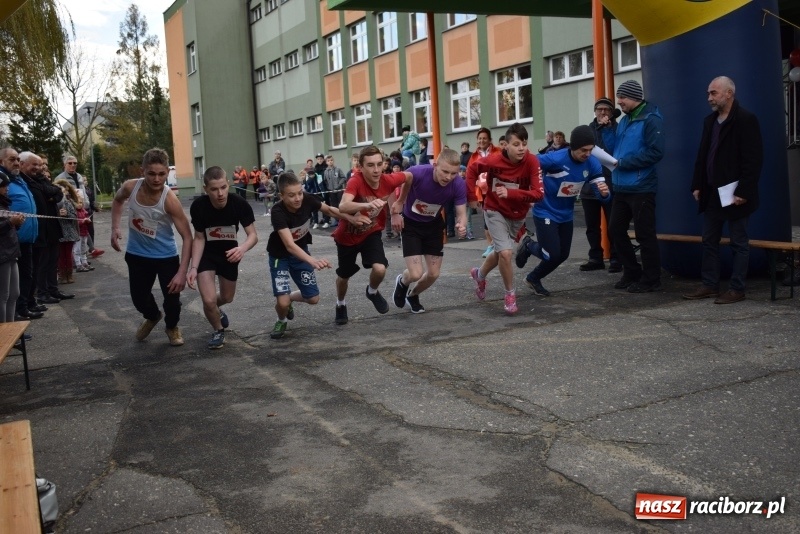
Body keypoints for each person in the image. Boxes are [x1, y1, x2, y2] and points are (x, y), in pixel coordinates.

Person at [683, 76, 763, 304]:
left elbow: (753, 159)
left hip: (736, 195)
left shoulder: (746, 119)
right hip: (711, 193)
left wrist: (744, 191)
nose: (709, 98)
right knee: (709, 240)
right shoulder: (710, 121)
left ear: (729, 93)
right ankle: (710, 285)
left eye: (714, 93)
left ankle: (737, 289)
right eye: (709, 93)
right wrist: (697, 184)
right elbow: (703, 155)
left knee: (739, 242)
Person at [266, 171, 367, 338]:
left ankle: (290, 297)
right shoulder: (277, 212)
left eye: (299, 193)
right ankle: (281, 320)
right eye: (291, 195)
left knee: (313, 298)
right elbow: (289, 245)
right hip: (280, 257)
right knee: (281, 303)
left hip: (301, 254)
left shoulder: (307, 199)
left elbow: (330, 210)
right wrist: (312, 261)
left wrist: (351, 218)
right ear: (281, 195)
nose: (298, 198)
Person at [111, 148, 194, 346]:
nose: (157, 179)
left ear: (167, 172)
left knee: (172, 301)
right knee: (139, 299)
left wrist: (182, 272)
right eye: (151, 173)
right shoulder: (131, 187)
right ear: (142, 171)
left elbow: (188, 237)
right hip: (137, 255)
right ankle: (153, 316)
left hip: (165, 257)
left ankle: (172, 327)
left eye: (161, 174)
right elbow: (117, 200)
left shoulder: (170, 200)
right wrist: (115, 228)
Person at [516, 125, 611, 296]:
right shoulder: (555, 159)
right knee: (551, 254)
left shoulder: (592, 163)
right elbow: (528, 164)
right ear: (573, 147)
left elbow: (600, 193)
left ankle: (533, 278)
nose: (587, 154)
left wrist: (604, 193)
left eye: (590, 150)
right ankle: (529, 245)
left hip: (566, 214)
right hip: (545, 210)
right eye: (583, 150)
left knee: (562, 255)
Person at [466, 122, 544, 315]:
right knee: (507, 253)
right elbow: (471, 170)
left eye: (524, 144)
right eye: (516, 144)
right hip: (494, 210)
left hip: (517, 215)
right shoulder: (493, 161)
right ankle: (510, 294)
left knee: (502, 252)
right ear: (506, 146)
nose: (521, 149)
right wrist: (471, 197)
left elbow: (538, 194)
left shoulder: (532, 161)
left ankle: (479, 274)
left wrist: (510, 193)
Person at [332, 145, 412, 325]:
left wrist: (399, 203)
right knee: (344, 276)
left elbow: (409, 177)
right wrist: (366, 206)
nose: (376, 170)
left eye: (379, 164)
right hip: (347, 236)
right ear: (360, 167)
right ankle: (340, 303)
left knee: (380, 268)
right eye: (370, 165)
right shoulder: (356, 181)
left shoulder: (388, 179)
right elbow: (343, 206)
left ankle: (372, 291)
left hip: (371, 232)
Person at [186, 166, 258, 349]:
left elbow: (253, 236)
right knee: (208, 299)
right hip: (207, 255)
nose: (220, 193)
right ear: (206, 189)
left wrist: (241, 249)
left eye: (223, 187)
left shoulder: (239, 204)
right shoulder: (199, 207)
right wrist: (193, 267)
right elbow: (199, 238)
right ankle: (218, 330)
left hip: (230, 255)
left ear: (228, 184)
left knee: (227, 297)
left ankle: (216, 310)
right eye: (214, 189)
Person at [389, 148, 467, 313]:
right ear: (435, 165)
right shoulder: (417, 172)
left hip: (433, 226)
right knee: (416, 273)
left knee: (433, 274)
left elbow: (461, 212)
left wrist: (462, 225)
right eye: (445, 171)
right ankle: (402, 282)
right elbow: (390, 184)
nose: (448, 177)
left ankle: (413, 295)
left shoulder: (458, 184)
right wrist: (396, 211)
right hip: (411, 225)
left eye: (453, 173)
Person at [608, 80, 666, 293]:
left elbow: (655, 152)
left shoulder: (651, 118)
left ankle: (652, 279)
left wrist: (624, 163)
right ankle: (632, 271)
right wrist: (606, 130)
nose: (619, 101)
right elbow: (615, 149)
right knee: (615, 229)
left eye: (622, 97)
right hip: (621, 186)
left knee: (644, 233)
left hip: (642, 186)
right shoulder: (623, 120)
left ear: (633, 96)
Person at [580, 97, 621, 273]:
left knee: (614, 223)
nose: (602, 112)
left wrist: (608, 129)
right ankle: (595, 257)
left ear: (611, 113)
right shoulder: (588, 130)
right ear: (595, 111)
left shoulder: (616, 129)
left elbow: (613, 150)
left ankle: (616, 258)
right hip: (589, 185)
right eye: (600, 109)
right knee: (592, 225)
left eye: (606, 110)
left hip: (610, 183)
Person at [2, 148, 43, 320]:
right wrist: (11, 222)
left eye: (18, 159)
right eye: (12, 159)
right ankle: (13, 319)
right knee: (5, 293)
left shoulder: (19, 179)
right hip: (8, 242)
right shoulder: (5, 180)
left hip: (23, 237)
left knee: (20, 284)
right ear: (1, 161)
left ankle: (22, 309)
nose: (17, 163)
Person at [467, 127, 503, 258]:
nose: (482, 141)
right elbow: (470, 175)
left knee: (497, 217)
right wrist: (471, 196)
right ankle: (491, 245)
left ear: (489, 140)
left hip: (497, 190)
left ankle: (497, 243)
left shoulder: (498, 151)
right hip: (481, 192)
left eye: (484, 138)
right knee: (486, 219)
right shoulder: (474, 156)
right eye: (479, 138)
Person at [0, 170, 23, 324]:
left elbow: (8, 228)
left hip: (11, 251)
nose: (7, 188)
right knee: (3, 295)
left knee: (14, 293)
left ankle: (11, 328)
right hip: (2, 254)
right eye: (4, 186)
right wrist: (10, 223)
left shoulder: (4, 204)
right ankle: (3, 331)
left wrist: (17, 224)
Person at [54, 179, 80, 285]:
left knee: (68, 254)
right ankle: (62, 275)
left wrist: (67, 215)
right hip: (58, 232)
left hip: (68, 232)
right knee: (60, 255)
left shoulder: (68, 203)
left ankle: (69, 274)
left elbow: (74, 216)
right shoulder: (54, 204)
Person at [322, 155, 347, 227]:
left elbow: (343, 178)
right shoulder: (326, 171)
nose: (330, 162)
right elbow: (325, 180)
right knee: (334, 205)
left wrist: (338, 185)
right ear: (326, 162)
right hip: (331, 191)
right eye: (328, 161)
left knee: (340, 205)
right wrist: (329, 187)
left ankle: (343, 219)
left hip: (339, 190)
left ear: (333, 161)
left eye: (331, 160)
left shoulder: (338, 169)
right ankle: (337, 220)